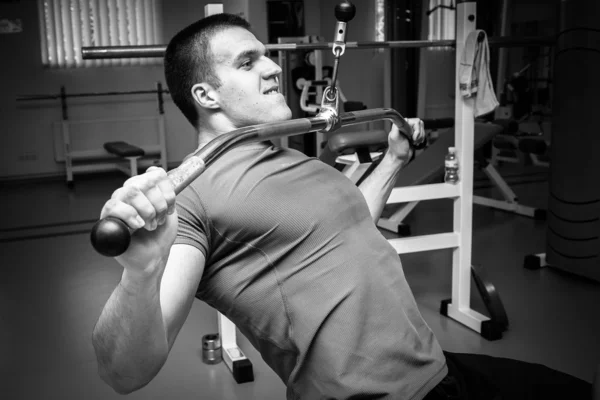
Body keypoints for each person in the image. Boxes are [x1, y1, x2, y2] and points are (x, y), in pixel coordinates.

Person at [91, 13, 593, 400]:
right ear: (205, 94)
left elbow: (349, 223)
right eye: (247, 63)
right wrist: (140, 273)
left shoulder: (287, 156)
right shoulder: (194, 197)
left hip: (436, 367)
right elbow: (125, 373)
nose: (272, 69)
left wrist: (395, 160)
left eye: (266, 57)